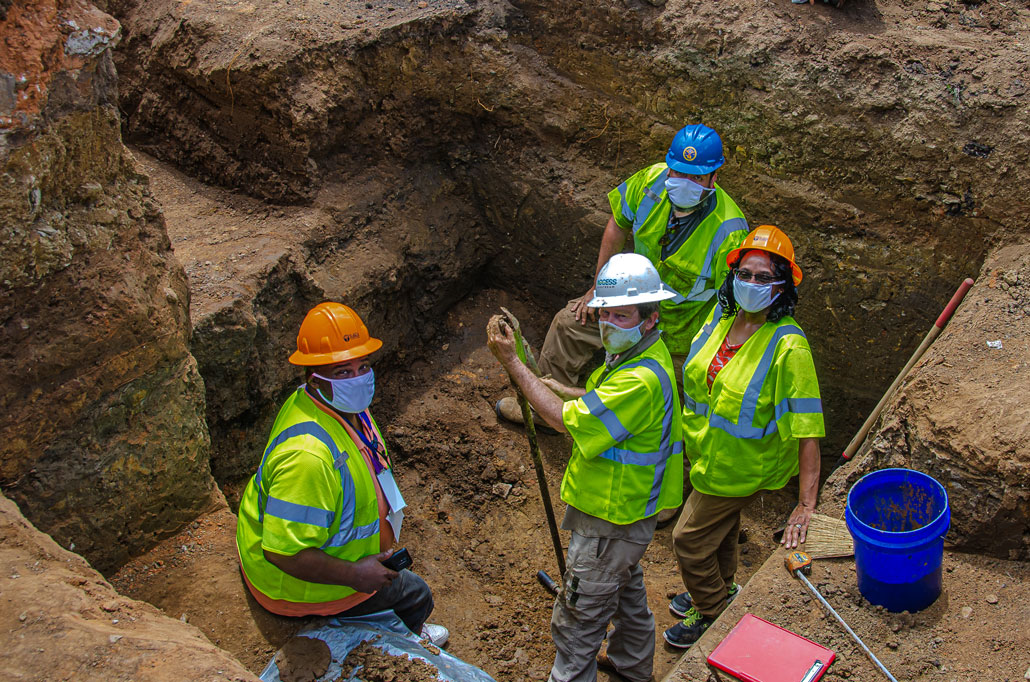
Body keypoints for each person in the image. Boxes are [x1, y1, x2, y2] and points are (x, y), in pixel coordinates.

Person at [486, 253, 684, 682]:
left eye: (622, 314)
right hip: (629, 516)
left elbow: (560, 421)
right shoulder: (645, 353)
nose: (609, 322)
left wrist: (514, 364)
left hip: (609, 520)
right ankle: (631, 666)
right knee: (627, 597)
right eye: (605, 312)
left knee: (577, 624)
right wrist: (567, 389)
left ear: (649, 317)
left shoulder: (640, 379)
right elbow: (607, 407)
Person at [495, 123, 750, 428]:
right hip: (627, 304)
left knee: (672, 394)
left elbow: (733, 304)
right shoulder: (651, 182)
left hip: (679, 336)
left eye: (695, 177)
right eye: (678, 172)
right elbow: (618, 223)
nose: (684, 182)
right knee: (569, 324)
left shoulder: (729, 230)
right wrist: (598, 288)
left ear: (713, 178)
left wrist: (708, 351)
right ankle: (548, 412)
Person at [235, 302, 448, 646]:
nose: (359, 379)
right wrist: (354, 574)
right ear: (313, 378)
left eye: (363, 366)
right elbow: (283, 552)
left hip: (329, 546)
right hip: (290, 582)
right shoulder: (308, 458)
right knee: (415, 596)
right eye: (343, 372)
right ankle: (407, 642)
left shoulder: (336, 405)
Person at [664, 225, 824, 649]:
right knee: (720, 529)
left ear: (782, 287)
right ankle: (724, 587)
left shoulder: (789, 347)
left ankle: (714, 610)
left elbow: (808, 430)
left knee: (689, 540)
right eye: (745, 274)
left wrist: (806, 504)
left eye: (763, 278)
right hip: (706, 454)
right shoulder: (722, 319)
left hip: (743, 466)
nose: (751, 284)